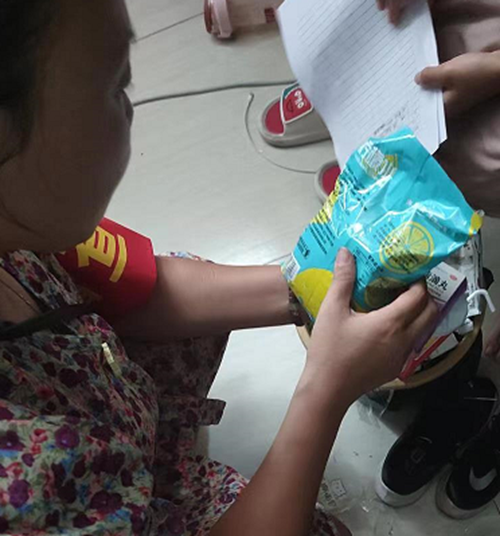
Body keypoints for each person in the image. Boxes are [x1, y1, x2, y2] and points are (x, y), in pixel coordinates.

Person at [0, 1, 438, 535]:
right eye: (117, 86)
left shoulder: (27, 223)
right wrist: (328, 387)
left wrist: (309, 286)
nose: (131, 109)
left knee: (181, 276)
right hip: (122, 497)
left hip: (100, 393)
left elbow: (138, 285)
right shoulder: (21, 488)